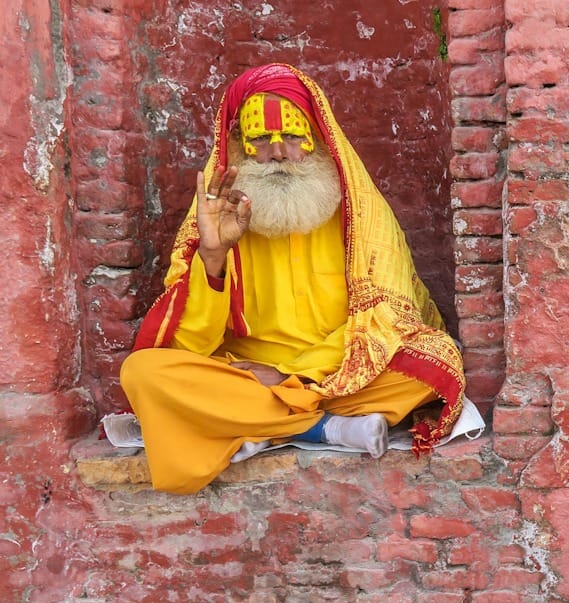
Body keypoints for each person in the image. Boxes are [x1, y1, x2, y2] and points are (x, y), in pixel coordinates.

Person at [121, 64, 466, 494]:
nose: (279, 152)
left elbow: (388, 320)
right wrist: (212, 258)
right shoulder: (218, 218)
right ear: (240, 148)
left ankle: (254, 421)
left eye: (291, 136)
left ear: (318, 139)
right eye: (261, 140)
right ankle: (322, 429)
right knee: (143, 373)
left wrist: (289, 374)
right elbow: (188, 346)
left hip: (341, 370)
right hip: (245, 375)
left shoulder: (359, 213)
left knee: (435, 360)